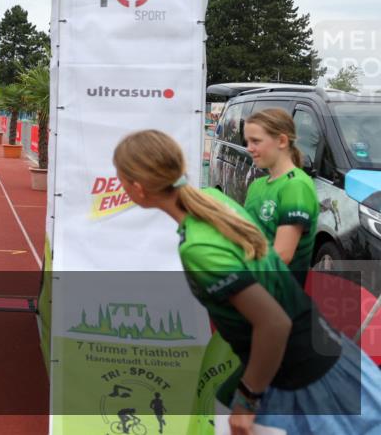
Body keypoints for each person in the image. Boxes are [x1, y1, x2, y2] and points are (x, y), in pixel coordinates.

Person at [112, 129, 381, 435]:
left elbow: (274, 324)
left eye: (120, 178)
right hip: (327, 357)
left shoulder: (198, 248)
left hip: (304, 384)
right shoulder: (212, 200)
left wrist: (247, 400)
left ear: (137, 188)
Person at [243, 108, 319, 287]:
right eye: (248, 141)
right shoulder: (257, 185)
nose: (249, 148)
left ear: (282, 141)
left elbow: (282, 255)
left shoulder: (296, 186)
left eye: (256, 141)